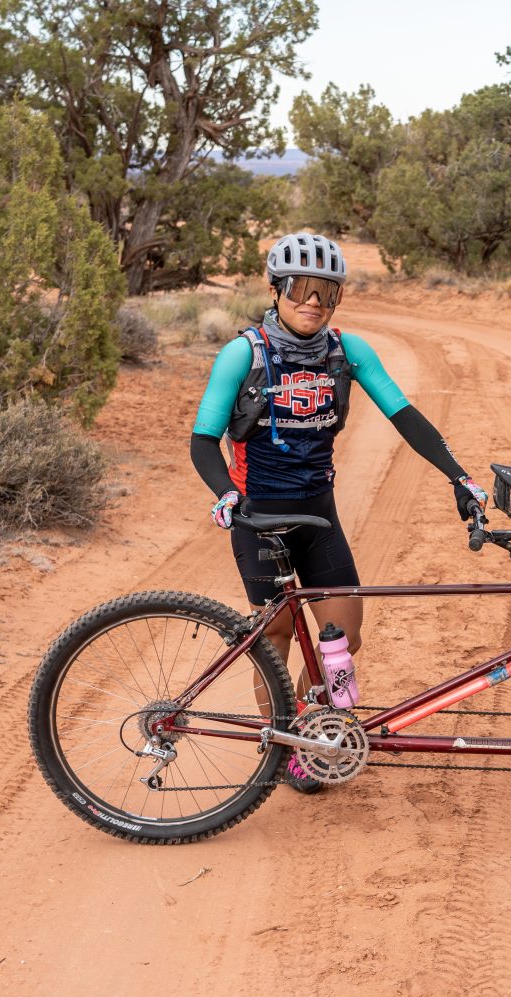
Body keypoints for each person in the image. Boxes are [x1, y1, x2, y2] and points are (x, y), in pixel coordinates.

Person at [190, 231, 488, 793]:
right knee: (276, 637)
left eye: (326, 293)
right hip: (259, 517)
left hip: (318, 514)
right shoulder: (243, 354)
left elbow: (404, 415)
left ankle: (312, 726)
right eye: (300, 288)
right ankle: (284, 746)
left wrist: (459, 475)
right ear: (276, 289)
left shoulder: (346, 352)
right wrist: (225, 494)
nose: (312, 302)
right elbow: (204, 439)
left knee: (344, 636)